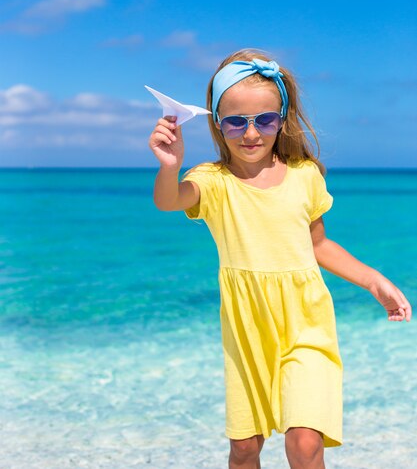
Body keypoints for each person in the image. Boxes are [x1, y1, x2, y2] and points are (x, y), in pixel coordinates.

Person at [148, 48, 412, 469]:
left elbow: (319, 244)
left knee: (305, 443)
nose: (251, 133)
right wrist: (169, 166)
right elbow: (168, 201)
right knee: (245, 448)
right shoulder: (211, 181)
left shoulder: (304, 175)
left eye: (264, 120)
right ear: (218, 123)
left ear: (281, 120)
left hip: (306, 322)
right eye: (236, 121)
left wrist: (375, 281)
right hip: (246, 329)